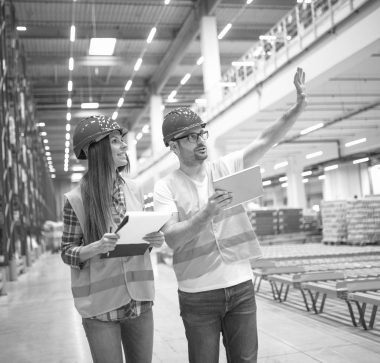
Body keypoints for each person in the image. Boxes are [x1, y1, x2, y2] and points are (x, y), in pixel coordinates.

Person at [153, 68, 307, 363]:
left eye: (202, 134)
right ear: (173, 146)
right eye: (190, 137)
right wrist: (207, 212)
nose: (201, 141)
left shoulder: (225, 167)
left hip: (240, 286)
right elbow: (171, 238)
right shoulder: (166, 186)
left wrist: (297, 107)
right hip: (198, 294)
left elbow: (264, 140)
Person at [61, 115, 165, 363]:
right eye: (116, 141)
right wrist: (95, 247)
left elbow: (137, 240)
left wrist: (153, 239)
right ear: (94, 149)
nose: (125, 146)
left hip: (139, 301)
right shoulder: (76, 199)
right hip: (100, 308)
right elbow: (67, 251)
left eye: (122, 141)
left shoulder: (135, 188)